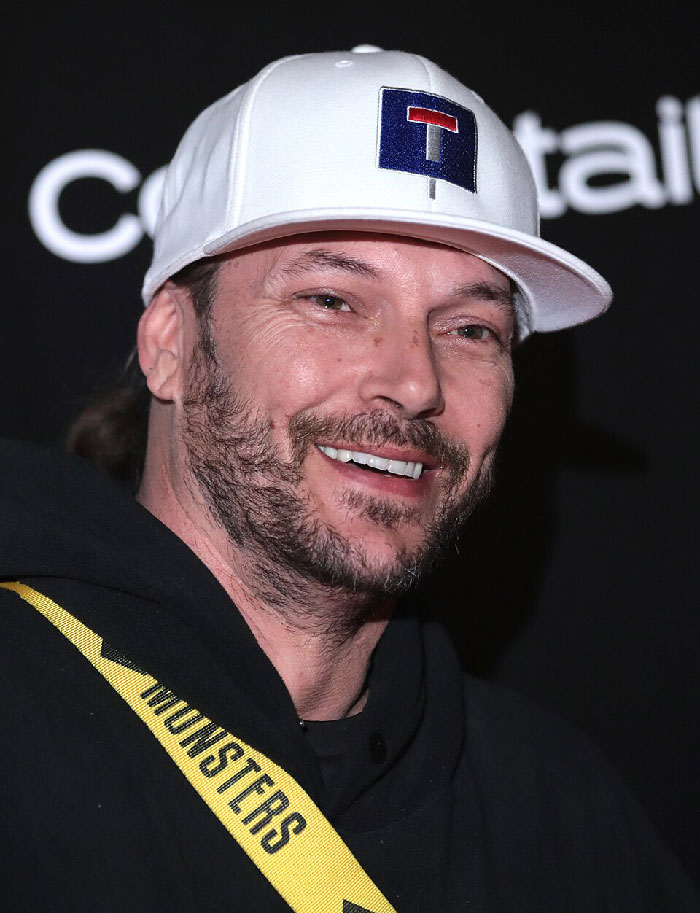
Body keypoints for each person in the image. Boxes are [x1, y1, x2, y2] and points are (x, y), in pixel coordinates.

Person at [1, 47, 697, 913]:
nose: (416, 381)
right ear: (170, 343)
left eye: (471, 328)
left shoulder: (560, 811)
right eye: (331, 300)